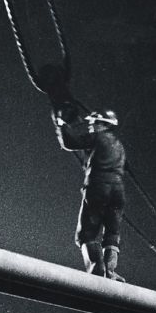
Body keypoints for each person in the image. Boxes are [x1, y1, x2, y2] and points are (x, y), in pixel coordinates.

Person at [53, 105, 127, 281]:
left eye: (93, 123)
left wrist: (61, 123)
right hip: (118, 192)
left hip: (98, 188)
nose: (91, 126)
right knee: (112, 233)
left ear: (102, 123)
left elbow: (70, 142)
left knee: (86, 233)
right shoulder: (119, 146)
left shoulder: (97, 136)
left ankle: (96, 270)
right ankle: (110, 271)